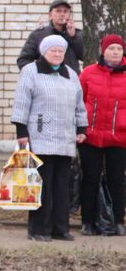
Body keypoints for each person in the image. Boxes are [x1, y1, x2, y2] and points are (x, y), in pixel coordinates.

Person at [12, 35, 88, 241]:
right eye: (53, 50)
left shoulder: (70, 73)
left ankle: (60, 228)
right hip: (40, 137)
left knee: (62, 186)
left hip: (65, 138)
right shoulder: (31, 71)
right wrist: (21, 132)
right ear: (44, 52)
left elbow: (79, 104)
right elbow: (21, 101)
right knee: (42, 186)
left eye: (60, 51)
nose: (57, 54)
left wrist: (82, 128)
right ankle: (38, 229)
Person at [78, 34, 126, 236]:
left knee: (117, 179)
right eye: (111, 48)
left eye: (119, 48)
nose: (115, 52)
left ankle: (118, 220)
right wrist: (80, 128)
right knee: (90, 178)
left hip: (119, 136)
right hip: (91, 135)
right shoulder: (88, 73)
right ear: (102, 50)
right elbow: (78, 102)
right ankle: (87, 221)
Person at [17, 0, 84, 73]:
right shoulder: (38, 35)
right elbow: (23, 60)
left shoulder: (77, 34)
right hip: (46, 78)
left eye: (65, 11)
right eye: (58, 11)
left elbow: (85, 57)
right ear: (50, 15)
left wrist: (73, 37)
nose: (62, 14)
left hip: (70, 78)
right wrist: (38, 73)